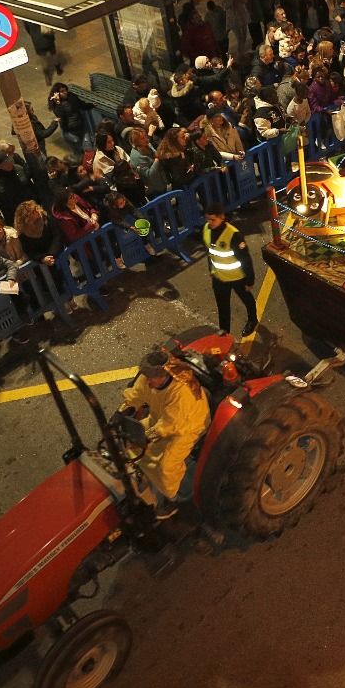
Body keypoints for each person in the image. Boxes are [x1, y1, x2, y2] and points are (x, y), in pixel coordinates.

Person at [119, 349, 209, 519]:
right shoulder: (150, 379)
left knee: (167, 467)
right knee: (131, 441)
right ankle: (144, 474)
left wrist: (144, 437)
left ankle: (172, 499)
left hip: (188, 428)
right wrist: (121, 412)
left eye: (151, 378)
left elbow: (171, 425)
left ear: (164, 375)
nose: (147, 380)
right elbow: (136, 395)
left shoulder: (181, 392)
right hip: (162, 419)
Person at [202, 204, 257, 337]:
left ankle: (253, 320)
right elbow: (210, 252)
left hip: (237, 277)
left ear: (222, 217)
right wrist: (211, 269)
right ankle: (225, 332)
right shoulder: (206, 230)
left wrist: (250, 280)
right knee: (222, 307)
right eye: (207, 220)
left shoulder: (233, 235)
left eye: (213, 220)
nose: (210, 223)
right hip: (219, 278)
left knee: (247, 300)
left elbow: (245, 259)